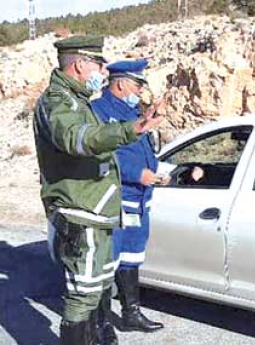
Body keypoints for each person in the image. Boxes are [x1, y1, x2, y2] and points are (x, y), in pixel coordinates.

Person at [33, 36, 163, 345]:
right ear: (79, 65)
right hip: (79, 212)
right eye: (98, 65)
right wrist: (131, 129)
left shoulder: (78, 101)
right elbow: (77, 139)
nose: (103, 73)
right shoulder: (57, 101)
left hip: (96, 209)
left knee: (96, 289)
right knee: (82, 297)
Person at [91, 59, 166, 338]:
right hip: (116, 198)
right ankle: (99, 323)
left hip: (139, 198)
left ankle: (130, 313)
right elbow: (100, 156)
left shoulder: (133, 110)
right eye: (137, 84)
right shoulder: (98, 111)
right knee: (107, 260)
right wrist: (137, 173)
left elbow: (144, 150)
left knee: (132, 255)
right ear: (121, 83)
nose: (140, 90)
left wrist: (157, 172)